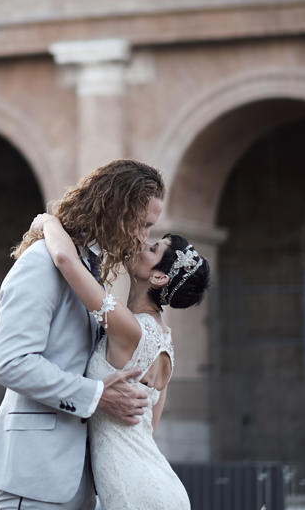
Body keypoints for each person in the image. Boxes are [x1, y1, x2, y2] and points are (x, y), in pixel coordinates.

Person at [0, 159, 164, 510]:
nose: (143, 238)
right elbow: (10, 362)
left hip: (83, 482)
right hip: (34, 476)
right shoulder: (40, 262)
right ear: (115, 209)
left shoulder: (88, 271)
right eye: (142, 225)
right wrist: (96, 395)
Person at [34, 214, 210, 510]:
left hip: (134, 491)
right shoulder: (165, 340)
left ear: (159, 277)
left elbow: (65, 260)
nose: (142, 243)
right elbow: (147, 428)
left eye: (153, 249)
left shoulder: (131, 329)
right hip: (162, 487)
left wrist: (47, 221)